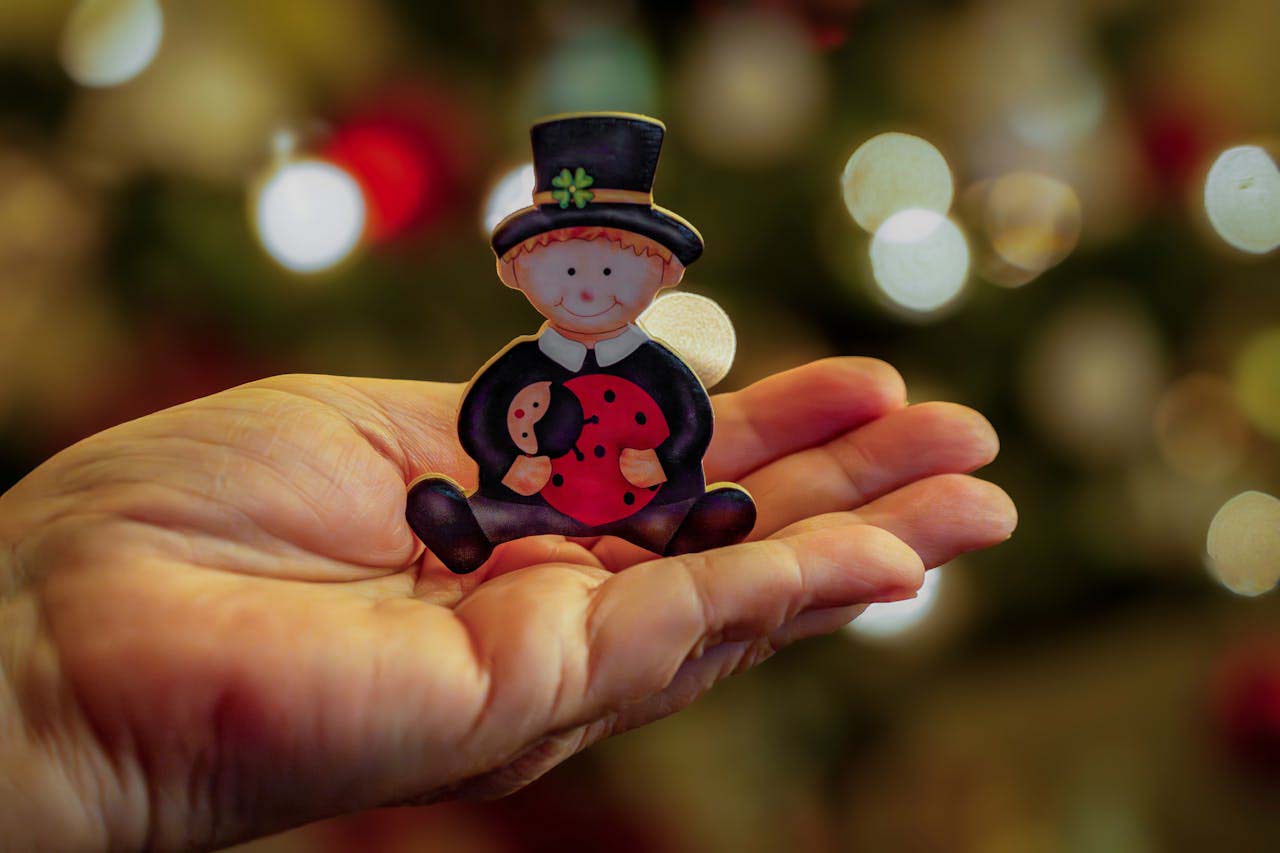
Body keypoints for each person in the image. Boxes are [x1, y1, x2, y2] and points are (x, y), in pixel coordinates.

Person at [0, 359, 1014, 849]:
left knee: (652, 518)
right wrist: (46, 672)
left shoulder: (642, 394)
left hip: (623, 502)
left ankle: (680, 522)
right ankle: (478, 521)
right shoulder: (528, 398)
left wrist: (59, 698)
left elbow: (657, 442)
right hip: (532, 502)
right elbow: (507, 440)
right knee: (508, 508)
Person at [407, 113, 756, 573]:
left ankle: (683, 528)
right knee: (496, 510)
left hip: (647, 501)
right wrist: (507, 464)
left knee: (675, 515)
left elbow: (692, 418)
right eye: (567, 271)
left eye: (611, 271)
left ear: (665, 269)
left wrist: (664, 461)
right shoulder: (520, 364)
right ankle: (472, 529)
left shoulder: (657, 366)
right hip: (527, 497)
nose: (588, 291)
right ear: (515, 271)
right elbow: (480, 417)